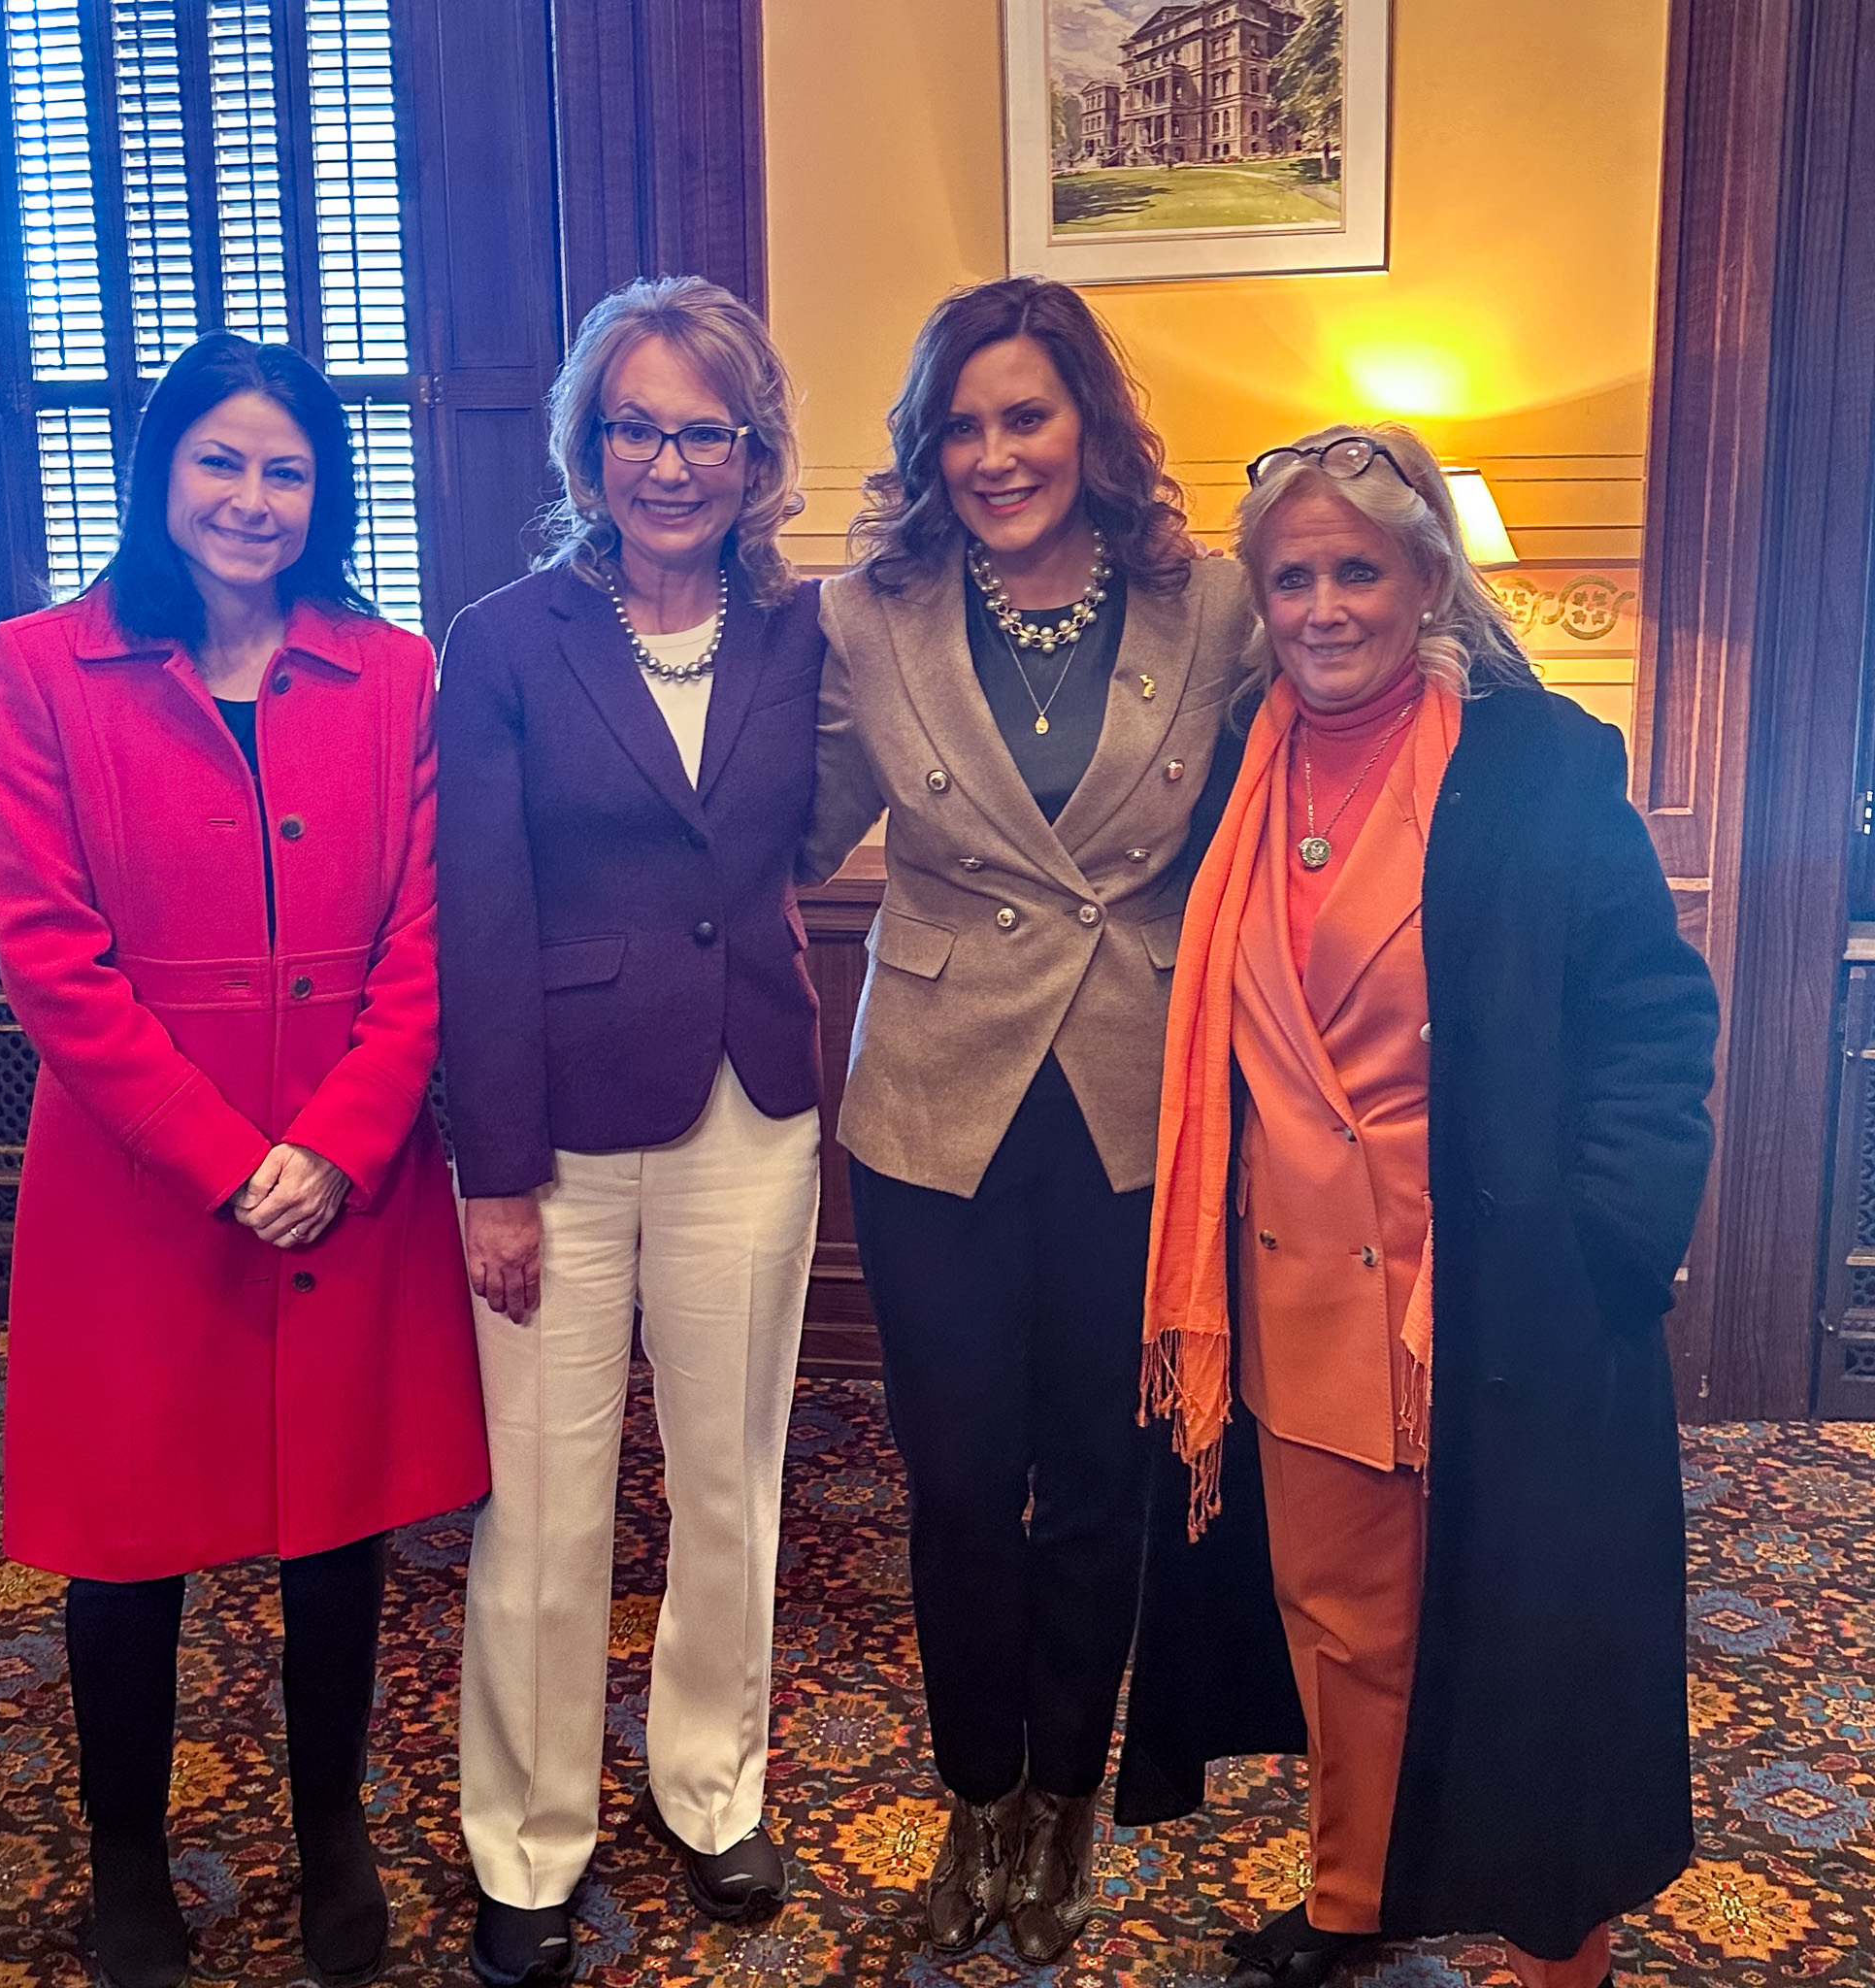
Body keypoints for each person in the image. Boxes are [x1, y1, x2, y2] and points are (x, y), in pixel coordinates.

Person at [1121, 423, 1719, 1988]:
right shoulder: (1235, 777)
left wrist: (1609, 1244)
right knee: (1341, 1625)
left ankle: (1554, 1943)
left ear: (1427, 577)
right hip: (1295, 1293)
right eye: (1295, 576)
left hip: (1504, 1300)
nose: (1325, 606)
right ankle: (1355, 1898)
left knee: (1529, 1633)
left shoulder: (1540, 766)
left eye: (1358, 571)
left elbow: (1653, 1021)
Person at [0, 332, 491, 1988]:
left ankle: (328, 1827)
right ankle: (128, 1859)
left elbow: (427, 934)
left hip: (346, 1173)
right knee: (126, 1542)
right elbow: (50, 954)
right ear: (161, 472)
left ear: (323, 487)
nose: (253, 498)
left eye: (285, 467)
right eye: (220, 461)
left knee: (333, 1529)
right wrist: (224, 1155)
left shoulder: (394, 670)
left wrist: (339, 1142)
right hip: (140, 1184)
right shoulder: (43, 665)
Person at [798, 275, 1254, 1965]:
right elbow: (784, 820)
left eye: (1027, 416)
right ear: (931, 450)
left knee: (1101, 1480)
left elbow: (1321, 747)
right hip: (934, 1108)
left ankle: (1068, 1801)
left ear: (1090, 425)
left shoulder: (1209, 607)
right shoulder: (864, 617)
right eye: (963, 426)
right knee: (959, 1474)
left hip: (1136, 1103)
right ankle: (975, 1791)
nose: (997, 454)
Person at [437, 276, 824, 1988]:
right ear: (589, 447)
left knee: (733, 1476)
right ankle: (526, 1840)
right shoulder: (505, 639)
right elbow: (479, 920)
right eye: (638, 429)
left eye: (706, 432)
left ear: (756, 452)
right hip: (563, 1132)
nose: (672, 463)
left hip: (753, 1104)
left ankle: (710, 1783)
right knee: (546, 1499)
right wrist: (494, 1177)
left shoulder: (807, 633)